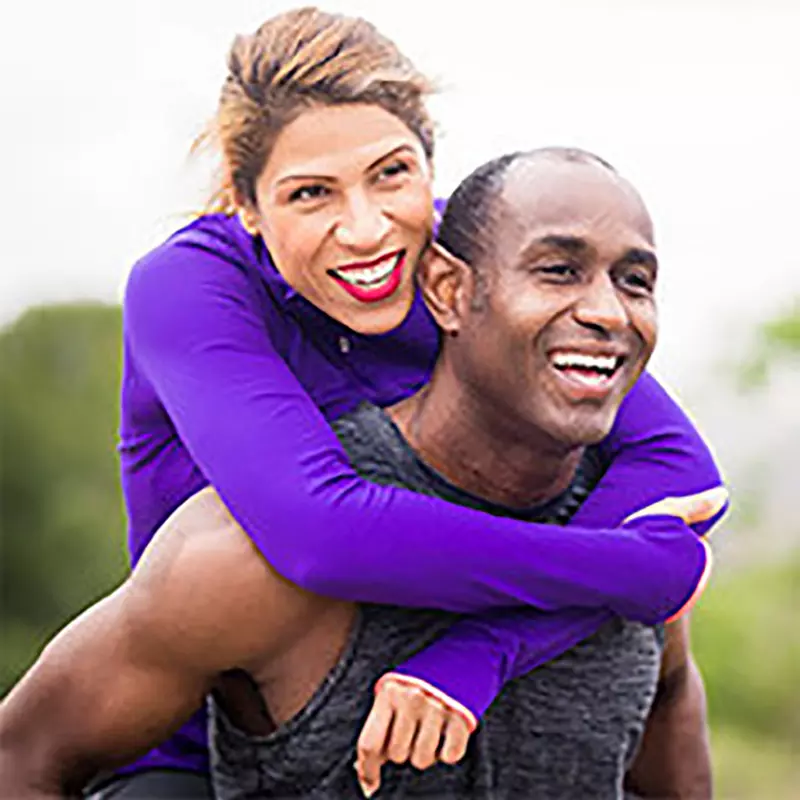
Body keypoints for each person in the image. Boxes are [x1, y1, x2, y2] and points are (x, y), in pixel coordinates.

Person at [0, 7, 726, 799]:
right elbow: (323, 533)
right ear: (246, 206)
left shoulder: (460, 273)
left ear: (428, 167)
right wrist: (629, 566)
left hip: (448, 644)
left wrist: (481, 655)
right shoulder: (192, 286)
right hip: (189, 737)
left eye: (392, 174)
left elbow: (676, 465)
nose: (367, 229)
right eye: (311, 193)